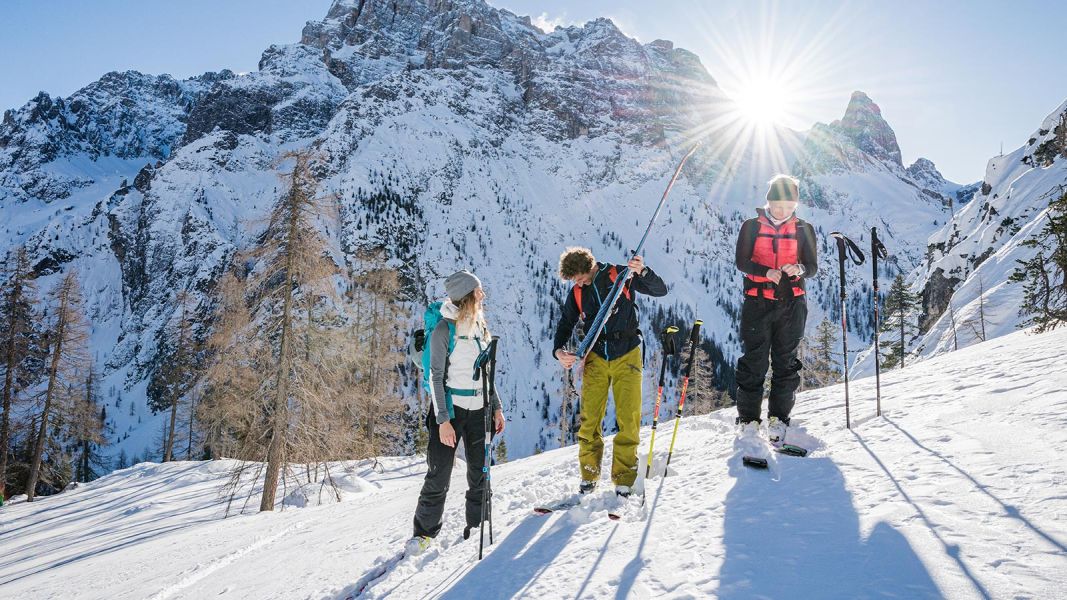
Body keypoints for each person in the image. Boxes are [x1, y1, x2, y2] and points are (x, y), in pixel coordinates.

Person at [552, 248, 667, 497]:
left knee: (629, 417)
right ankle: (589, 475)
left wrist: (642, 271)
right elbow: (565, 323)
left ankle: (624, 478)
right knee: (589, 420)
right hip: (595, 355)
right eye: (574, 281)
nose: (578, 283)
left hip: (627, 352)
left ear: (591, 266)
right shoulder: (577, 293)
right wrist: (558, 351)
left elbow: (660, 290)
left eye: (581, 278)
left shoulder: (619, 275)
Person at [409, 270, 505, 555]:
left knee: (480, 473)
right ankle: (424, 534)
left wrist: (496, 408)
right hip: (449, 412)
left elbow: (487, 372)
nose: (483, 296)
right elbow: (434, 377)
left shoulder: (480, 327)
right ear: (466, 297)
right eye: (478, 292)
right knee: (439, 474)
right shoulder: (444, 330)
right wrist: (443, 421)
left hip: (479, 409)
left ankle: (477, 525)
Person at [734, 174, 818, 445]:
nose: (782, 211)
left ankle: (778, 419)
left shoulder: (804, 229)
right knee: (754, 361)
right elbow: (741, 262)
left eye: (788, 206)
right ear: (768, 201)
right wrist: (766, 271)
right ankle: (748, 420)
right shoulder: (751, 226)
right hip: (757, 302)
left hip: (792, 304)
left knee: (786, 362)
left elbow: (812, 267)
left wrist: (800, 268)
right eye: (777, 204)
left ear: (795, 205)